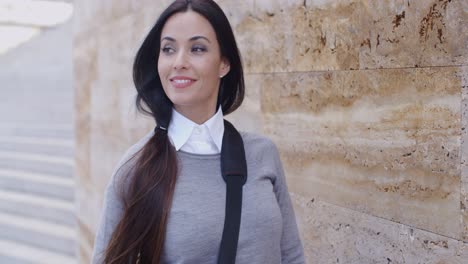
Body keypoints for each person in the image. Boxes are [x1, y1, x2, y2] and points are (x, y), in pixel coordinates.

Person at [91, 0, 305, 263]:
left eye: (197, 48)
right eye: (168, 49)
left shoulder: (263, 154)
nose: (179, 62)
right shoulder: (135, 169)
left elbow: (291, 255)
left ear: (224, 63)